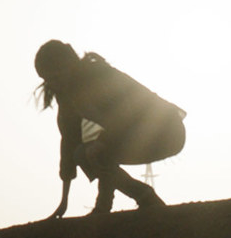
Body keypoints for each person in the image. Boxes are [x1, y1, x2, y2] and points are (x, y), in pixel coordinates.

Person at [34, 39, 186, 218]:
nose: (52, 84)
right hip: (129, 137)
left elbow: (125, 116)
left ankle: (105, 207)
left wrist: (102, 142)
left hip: (167, 132)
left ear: (70, 66)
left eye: (56, 77)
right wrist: (63, 202)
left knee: (97, 151)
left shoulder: (100, 77)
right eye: (48, 79)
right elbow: (69, 142)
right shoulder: (66, 97)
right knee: (82, 153)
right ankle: (145, 197)